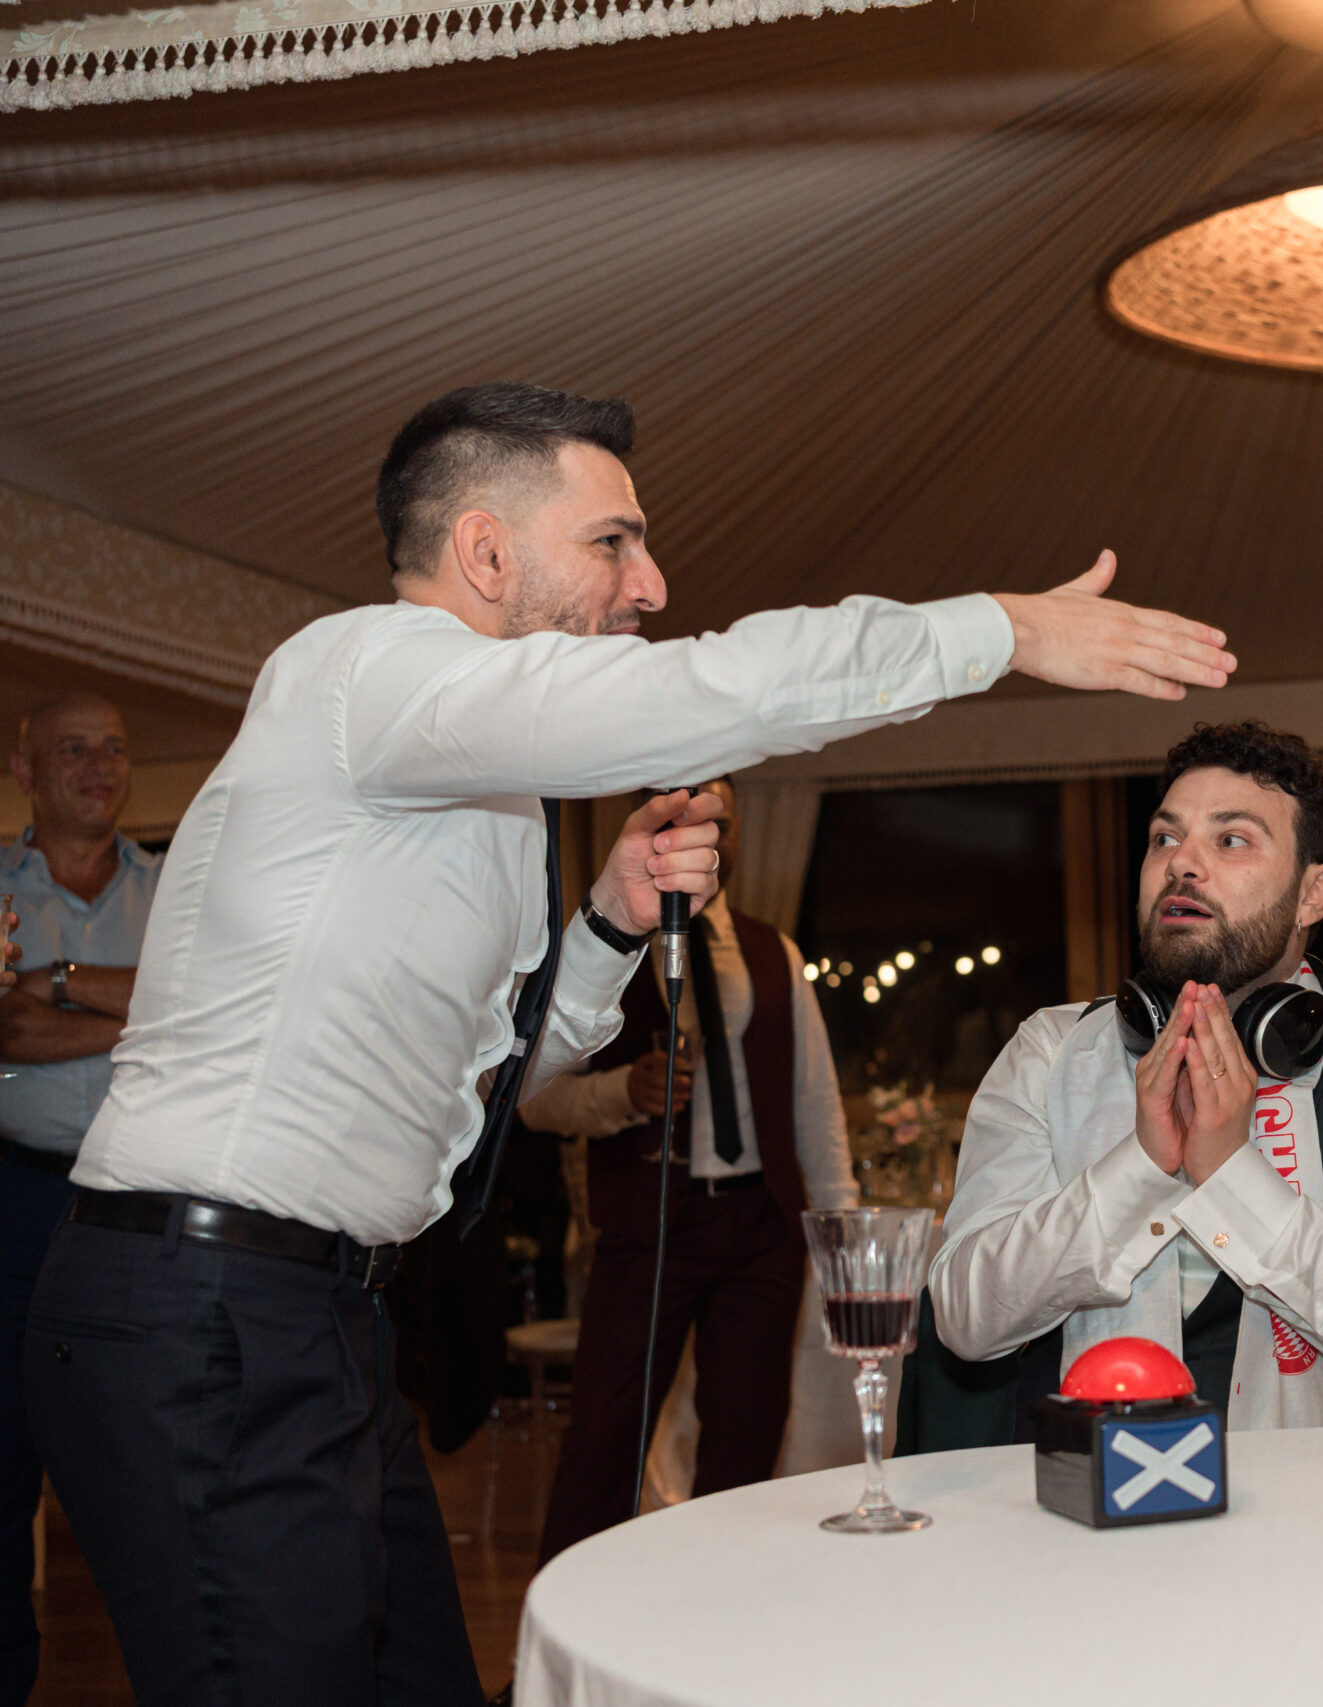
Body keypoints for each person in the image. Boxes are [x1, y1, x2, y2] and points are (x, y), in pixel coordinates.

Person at [24, 380, 1235, 1707]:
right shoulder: (360, 672)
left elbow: (498, 1077)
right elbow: (703, 687)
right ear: (486, 552)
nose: (650, 583)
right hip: (203, 1304)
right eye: (613, 542)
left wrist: (606, 919)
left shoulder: (477, 792)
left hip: (321, 1318)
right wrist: (1001, 629)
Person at [925, 722, 1323, 1436]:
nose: (1181, 864)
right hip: (1086, 1488)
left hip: (1321, 1495)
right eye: (1165, 837)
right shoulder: (1052, 1051)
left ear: (1314, 894)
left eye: (1232, 840)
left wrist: (1231, 1174)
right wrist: (1139, 1167)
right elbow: (967, 1318)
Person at [524, 775, 857, 1562]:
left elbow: (815, 1102)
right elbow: (535, 1100)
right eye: (686, 818)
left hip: (760, 1226)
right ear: (652, 827)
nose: (712, 835)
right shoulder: (600, 947)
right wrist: (620, 1092)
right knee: (605, 1433)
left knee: (747, 1438)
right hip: (648, 1222)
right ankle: (570, 1616)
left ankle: (722, 1606)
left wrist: (840, 1233)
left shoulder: (775, 952)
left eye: (724, 821)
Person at [0, 691, 159, 1704]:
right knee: (1, 1473)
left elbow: (210, 1010)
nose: (100, 765)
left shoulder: (180, 884)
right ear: (25, 769)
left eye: (115, 746)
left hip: (145, 1212)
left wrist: (48, 982)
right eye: (73, 749)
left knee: (151, 1479)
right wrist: (148, 1011)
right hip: (13, 1206)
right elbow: (2, 1035)